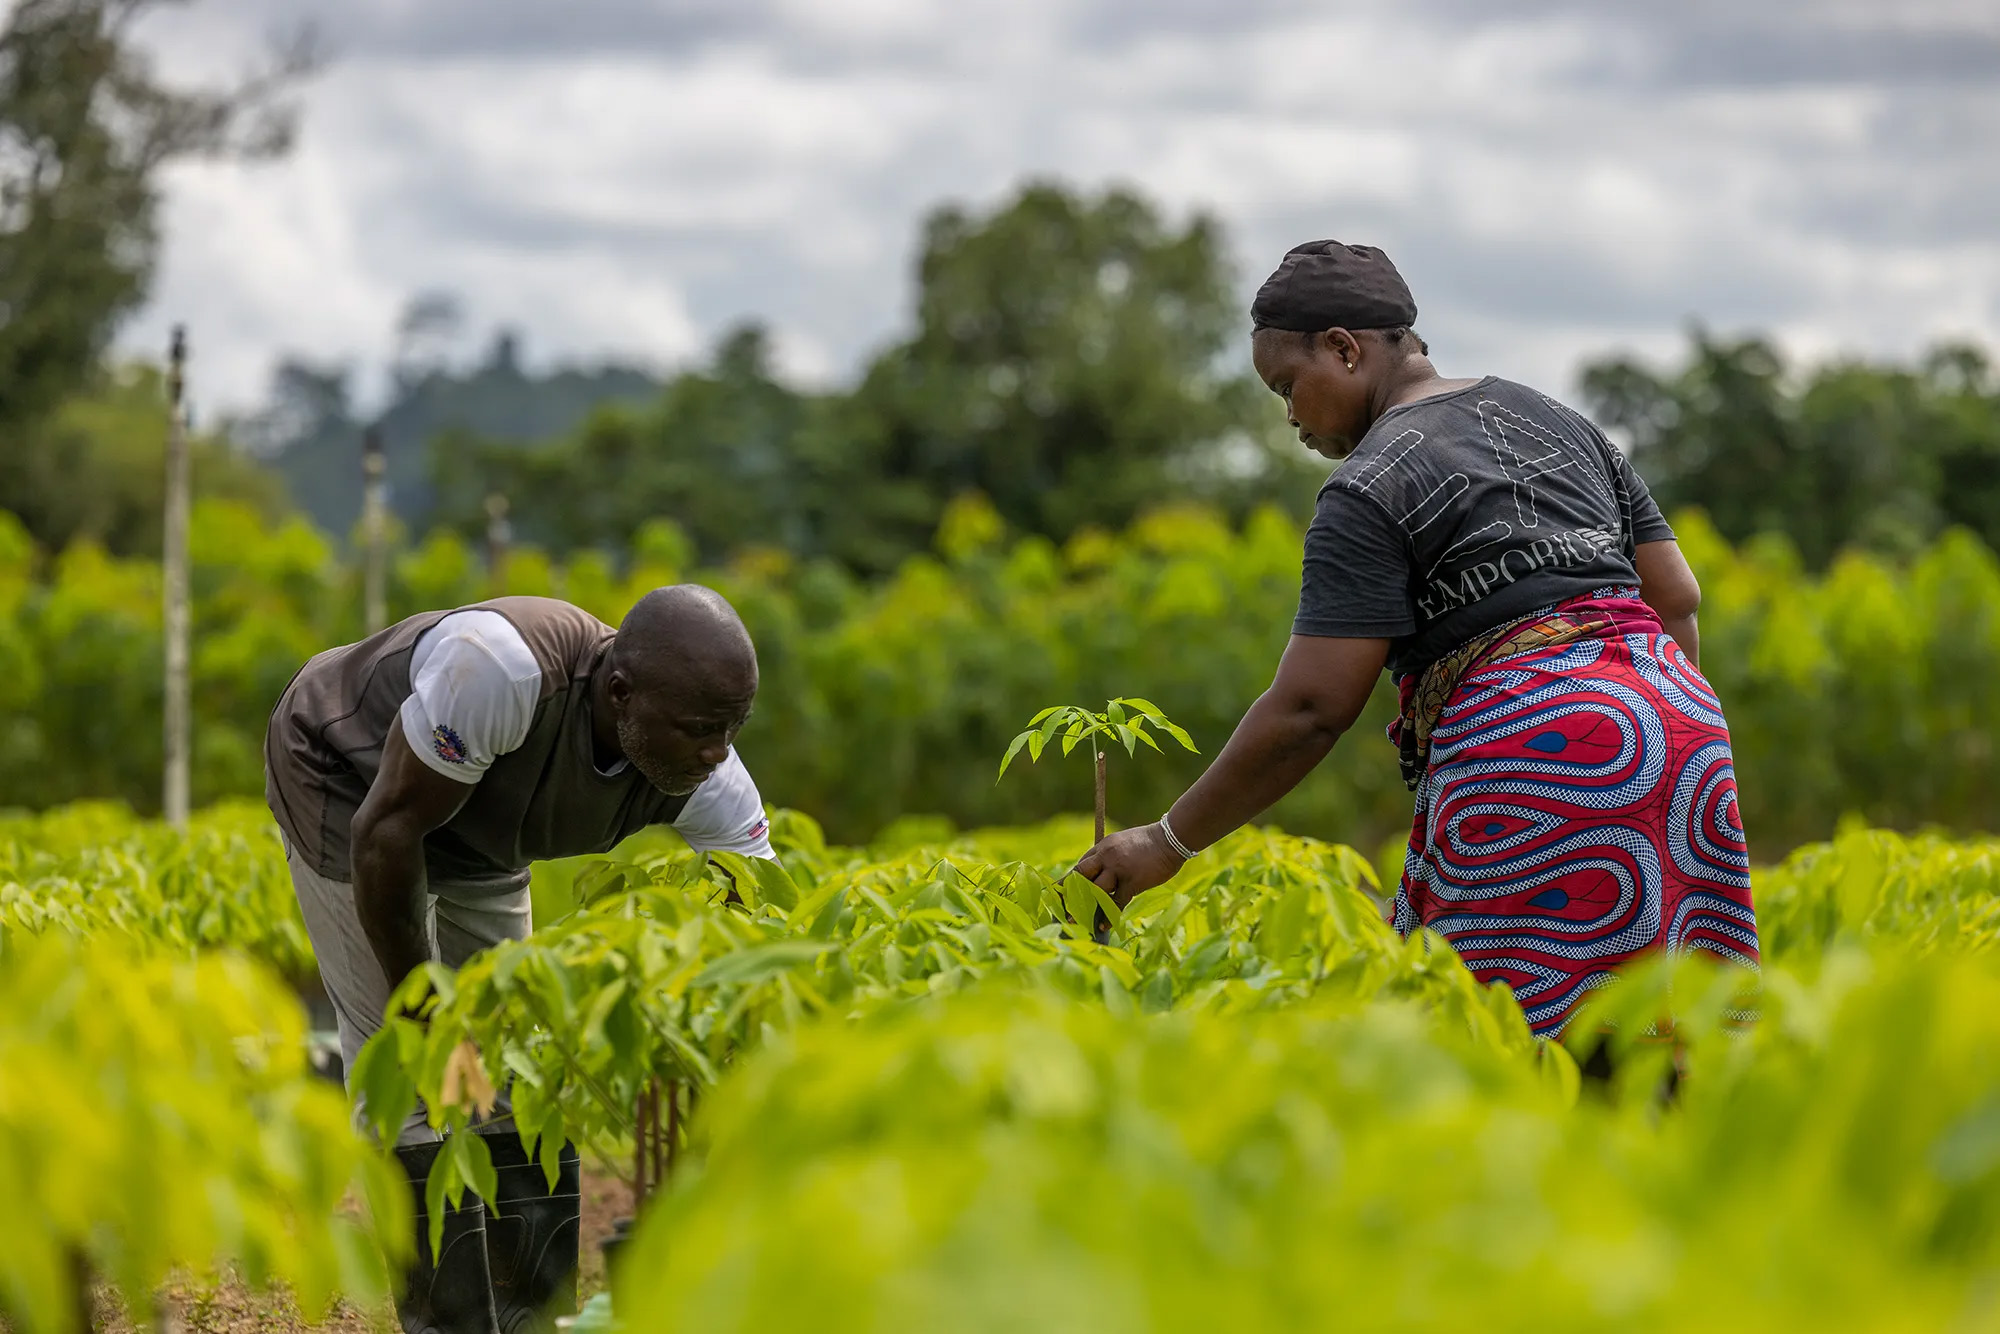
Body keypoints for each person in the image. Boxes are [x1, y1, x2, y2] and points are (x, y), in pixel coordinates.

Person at [1076, 239, 1758, 1039]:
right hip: (1681, 726)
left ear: (1344, 348)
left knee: (1497, 1046)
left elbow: (1310, 709)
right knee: (1670, 1034)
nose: (1291, 416)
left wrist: (1168, 840)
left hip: (1539, 745)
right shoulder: (1561, 421)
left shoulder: (1367, 487)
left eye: (1288, 387)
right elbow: (1676, 595)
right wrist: (1654, 737)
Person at [265, 587, 775, 1334]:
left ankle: (530, 1318)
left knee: (510, 1068)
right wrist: (431, 1016)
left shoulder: (710, 779)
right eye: (699, 730)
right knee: (411, 1068)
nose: (717, 751)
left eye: (733, 729)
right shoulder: (501, 669)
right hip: (352, 786)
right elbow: (389, 832)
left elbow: (760, 921)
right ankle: (450, 1324)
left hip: (481, 827)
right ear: (620, 693)